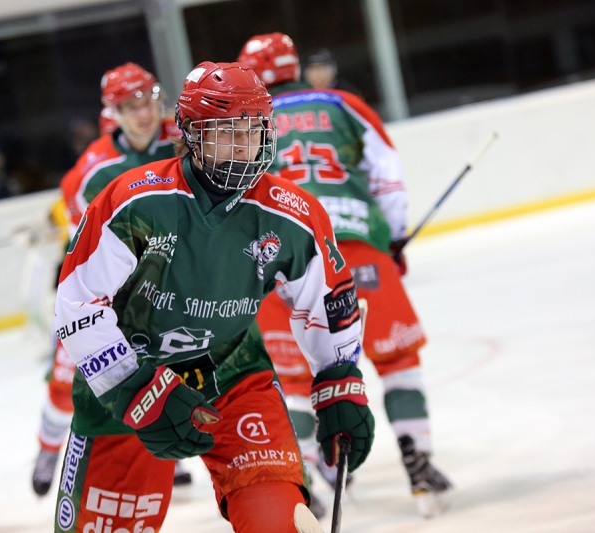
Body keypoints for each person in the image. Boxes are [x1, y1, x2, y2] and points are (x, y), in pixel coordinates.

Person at [52, 60, 374, 533]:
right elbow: (77, 300)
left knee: (276, 521)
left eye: (253, 130)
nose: (243, 146)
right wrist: (132, 386)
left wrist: (338, 379)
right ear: (191, 136)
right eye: (226, 132)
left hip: (233, 375)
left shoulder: (293, 213)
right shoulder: (136, 201)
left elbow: (326, 300)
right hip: (123, 388)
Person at [238, 32, 453, 517]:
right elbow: (387, 174)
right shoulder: (342, 103)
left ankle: (312, 479)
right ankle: (419, 466)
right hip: (355, 251)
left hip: (281, 259)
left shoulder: (246, 121)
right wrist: (393, 239)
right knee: (398, 358)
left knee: (292, 377)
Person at [32, 62, 188, 497]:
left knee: (161, 369)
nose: (143, 112)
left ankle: (161, 452)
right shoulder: (92, 171)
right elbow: (89, 253)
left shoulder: (182, 139)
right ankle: (48, 446)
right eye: (129, 105)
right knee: (67, 384)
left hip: (163, 281)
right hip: (100, 289)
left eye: (149, 100)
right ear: (112, 112)